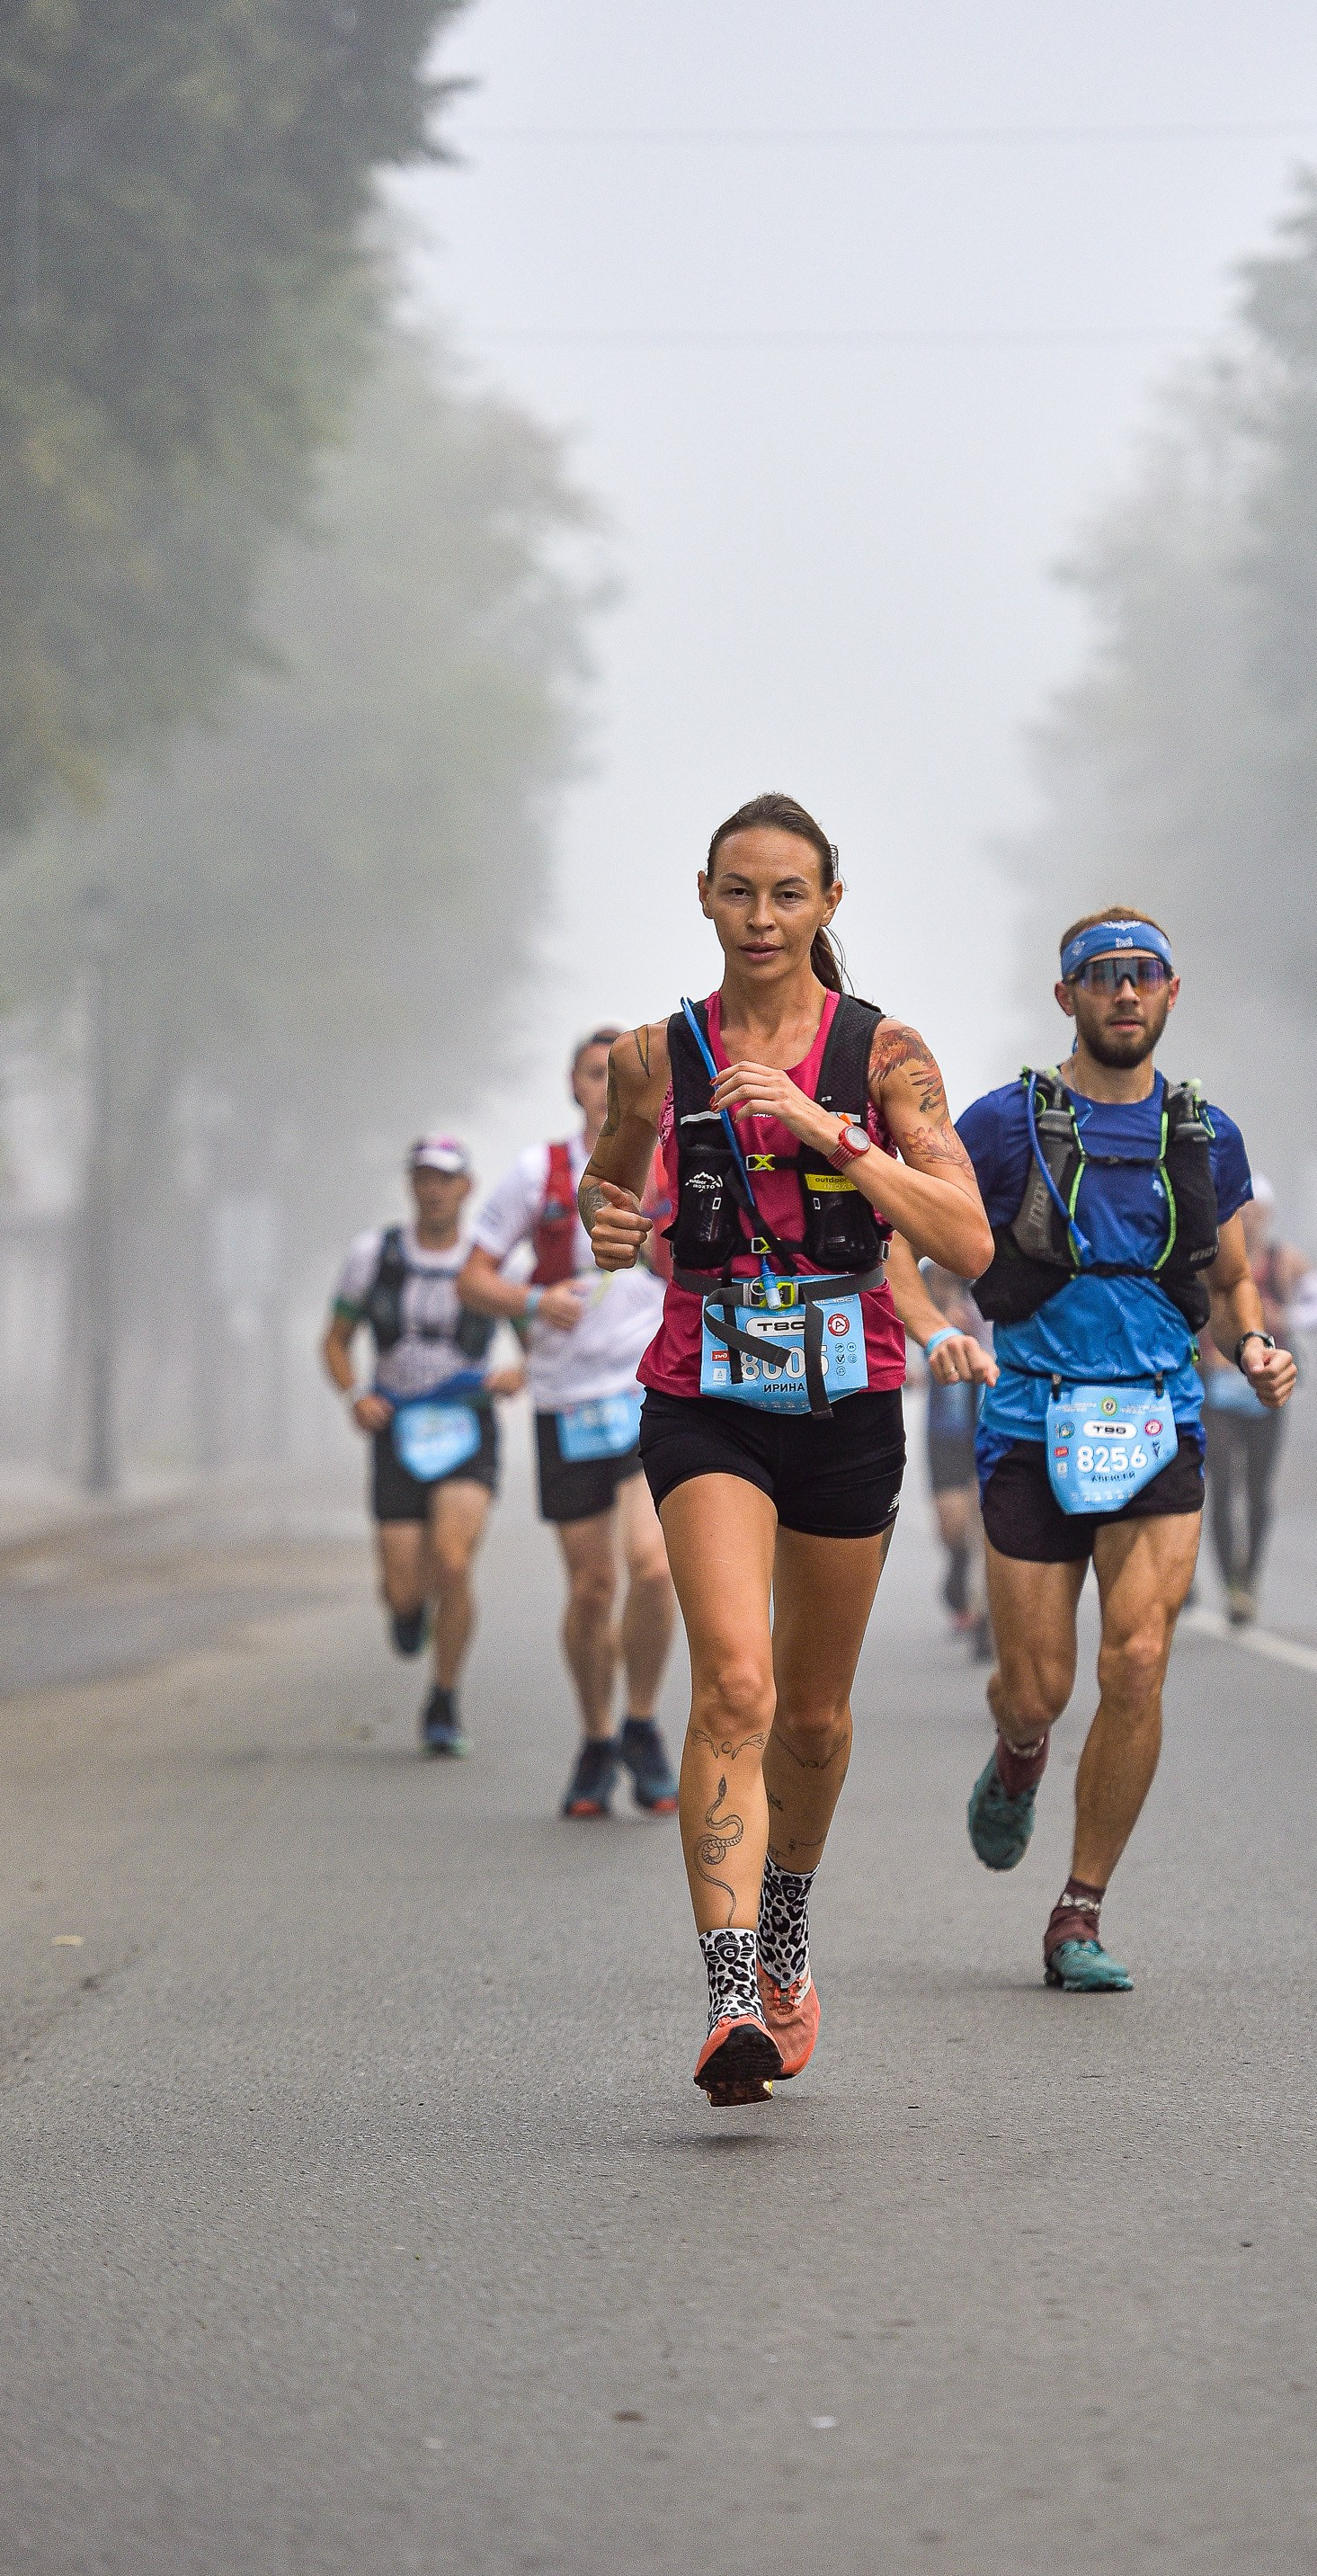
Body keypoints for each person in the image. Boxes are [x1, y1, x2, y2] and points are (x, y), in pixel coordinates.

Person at [579, 791, 992, 2106]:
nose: (762, 917)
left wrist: (833, 1136)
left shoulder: (882, 1056)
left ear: (827, 906)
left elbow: (969, 1242)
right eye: (739, 892)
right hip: (702, 1397)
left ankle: (785, 1924)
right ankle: (723, 1998)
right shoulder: (656, 1054)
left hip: (845, 1404)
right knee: (738, 1689)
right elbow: (609, 1183)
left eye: (788, 895)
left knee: (810, 1719)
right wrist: (604, 1225)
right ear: (702, 894)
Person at [955, 910, 1295, 1991]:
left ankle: (1077, 1911)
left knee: (1138, 1660)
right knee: (1036, 1689)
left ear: (1169, 992)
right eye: (1099, 976)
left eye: (1141, 974)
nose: (1122, 992)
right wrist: (933, 1328)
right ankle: (1017, 1755)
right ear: (1065, 998)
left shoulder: (1202, 1134)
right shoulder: (1003, 1123)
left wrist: (1249, 1344)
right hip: (1030, 1420)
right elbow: (932, 1236)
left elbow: (1230, 1274)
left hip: (1158, 1420)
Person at [458, 1030, 681, 1817]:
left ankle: (644, 1722)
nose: (610, 1087)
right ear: (575, 1086)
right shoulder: (538, 1175)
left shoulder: (673, 1164)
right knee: (592, 1588)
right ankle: (596, 1738)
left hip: (651, 1388)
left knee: (653, 1566)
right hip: (565, 1401)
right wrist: (529, 1301)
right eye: (597, 1074)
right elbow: (473, 1276)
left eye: (625, 1075)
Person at [323, 1135, 515, 1756]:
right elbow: (335, 1339)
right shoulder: (372, 1255)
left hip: (465, 1422)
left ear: (466, 1186)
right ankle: (409, 1614)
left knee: (454, 1564)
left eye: (444, 1178)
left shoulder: (490, 1261)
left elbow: (538, 1331)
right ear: (411, 1186)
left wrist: (520, 1374)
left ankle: (444, 1698)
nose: (432, 1190)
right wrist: (357, 1396)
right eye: (422, 1178)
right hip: (397, 1426)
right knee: (405, 1588)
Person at [1200, 1175, 1317, 1626]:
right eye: (1243, 1210)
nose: (1250, 1218)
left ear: (1269, 1215)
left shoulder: (1284, 1263)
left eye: (1258, 1211)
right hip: (1217, 1390)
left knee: (1258, 1493)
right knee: (1221, 1488)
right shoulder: (1208, 1258)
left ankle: (1249, 1575)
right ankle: (1231, 1587)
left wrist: (1289, 1315)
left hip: (1268, 1392)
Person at [888, 1242, 998, 1657]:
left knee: (984, 1517)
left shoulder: (988, 1283)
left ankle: (985, 1618)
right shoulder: (923, 1286)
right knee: (952, 1524)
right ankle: (958, 1572)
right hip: (946, 1420)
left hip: (991, 1411)